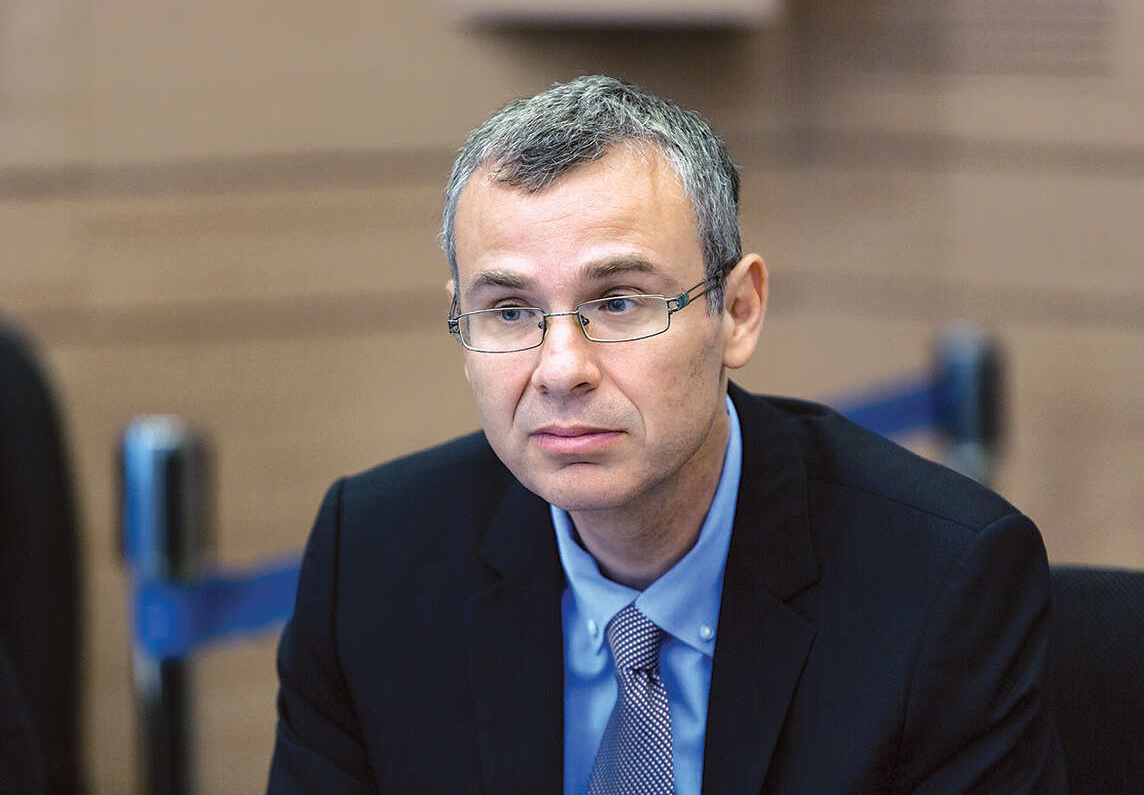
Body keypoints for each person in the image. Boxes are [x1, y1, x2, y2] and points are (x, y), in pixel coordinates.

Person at [267, 75, 1066, 794]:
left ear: (738, 312)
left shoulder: (941, 583)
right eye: (509, 312)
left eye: (618, 302)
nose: (561, 369)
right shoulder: (369, 561)